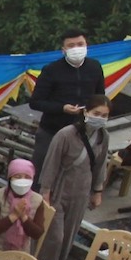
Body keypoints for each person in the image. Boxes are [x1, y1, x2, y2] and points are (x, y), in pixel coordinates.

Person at [35, 97, 112, 260]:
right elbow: (51, 164)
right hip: (60, 190)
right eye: (96, 114)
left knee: (68, 238)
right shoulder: (66, 134)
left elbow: (100, 165)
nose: (100, 118)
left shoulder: (103, 136)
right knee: (55, 237)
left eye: (104, 115)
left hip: (81, 192)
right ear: (86, 112)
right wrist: (45, 192)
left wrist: (97, 191)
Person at [28, 31, 106, 175]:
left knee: (76, 172)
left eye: (80, 44)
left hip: (83, 131)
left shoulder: (95, 67)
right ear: (63, 50)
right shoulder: (51, 70)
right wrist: (62, 108)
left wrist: (94, 111)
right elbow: (35, 102)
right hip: (52, 131)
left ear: (86, 45)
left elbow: (100, 97)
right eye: (71, 45)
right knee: (42, 172)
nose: (76, 48)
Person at [0, 158, 53, 257]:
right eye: (18, 176)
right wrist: (13, 216)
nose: (22, 181)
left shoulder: (37, 200)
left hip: (20, 257)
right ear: (10, 178)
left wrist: (23, 217)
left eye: (27, 177)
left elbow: (37, 233)